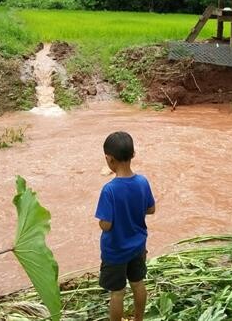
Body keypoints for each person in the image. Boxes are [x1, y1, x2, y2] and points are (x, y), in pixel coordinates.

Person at [95, 131, 156, 321]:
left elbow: (106, 225)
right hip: (138, 247)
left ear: (109, 159)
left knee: (117, 293)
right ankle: (139, 318)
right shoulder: (142, 182)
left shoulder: (109, 190)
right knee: (138, 283)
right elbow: (151, 209)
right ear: (133, 155)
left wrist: (101, 222)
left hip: (115, 251)